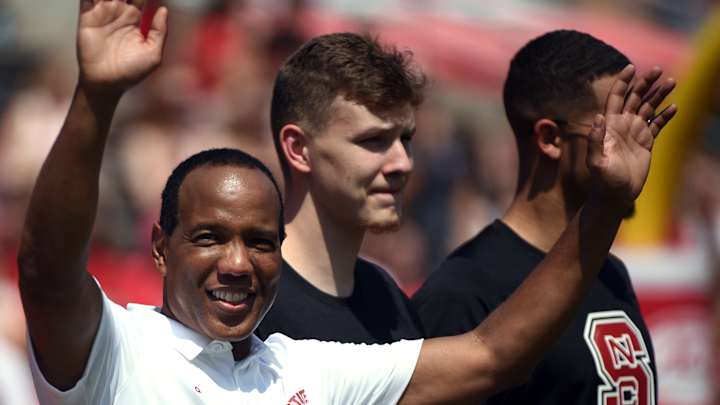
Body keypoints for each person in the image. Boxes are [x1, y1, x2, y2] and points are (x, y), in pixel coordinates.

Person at [19, 2, 677, 404]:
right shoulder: (119, 350)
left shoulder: (301, 366)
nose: (239, 262)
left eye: (261, 241)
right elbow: (46, 270)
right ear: (161, 247)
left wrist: (604, 207)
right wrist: (96, 97)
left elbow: (492, 355)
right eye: (210, 237)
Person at [412, 30, 674, 405]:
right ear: (550, 138)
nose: (636, 141)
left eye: (637, 121)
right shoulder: (462, 293)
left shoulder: (608, 270)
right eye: (613, 126)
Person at [254, 32, 426, 343]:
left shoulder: (390, 302)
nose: (403, 163)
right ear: (298, 149)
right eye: (373, 140)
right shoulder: (245, 301)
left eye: (406, 139)